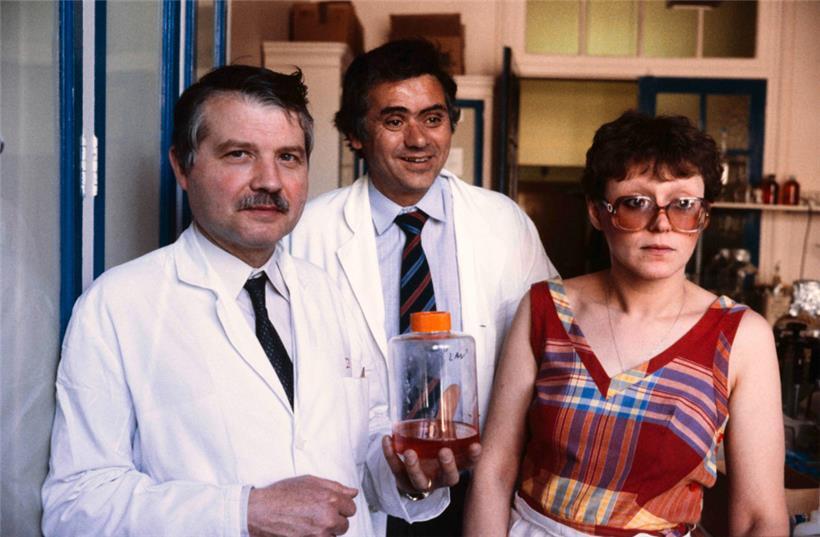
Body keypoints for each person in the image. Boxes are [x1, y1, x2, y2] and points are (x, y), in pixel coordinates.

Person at [41, 65, 457, 537]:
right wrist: (242, 512)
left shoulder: (332, 292)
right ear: (183, 165)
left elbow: (365, 443)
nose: (271, 182)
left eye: (289, 157)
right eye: (239, 154)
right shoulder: (118, 306)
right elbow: (76, 505)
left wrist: (405, 475)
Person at [465, 111, 788, 536]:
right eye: (636, 203)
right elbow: (494, 473)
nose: (662, 224)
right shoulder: (545, 308)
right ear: (598, 213)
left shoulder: (741, 336)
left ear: (703, 215)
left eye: (684, 205)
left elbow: (760, 518)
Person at [288, 39, 558, 536]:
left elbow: (553, 345)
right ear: (355, 134)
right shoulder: (306, 234)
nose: (418, 139)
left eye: (432, 118)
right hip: (358, 488)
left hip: (480, 485)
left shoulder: (503, 223)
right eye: (394, 121)